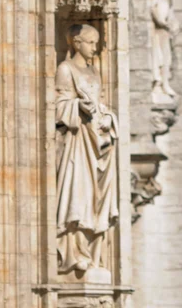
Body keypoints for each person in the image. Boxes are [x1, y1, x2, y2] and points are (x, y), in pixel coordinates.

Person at [56, 24, 118, 275]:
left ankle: (92, 252)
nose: (96, 48)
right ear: (77, 42)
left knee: (94, 196)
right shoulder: (65, 69)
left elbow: (101, 104)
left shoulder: (94, 71)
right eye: (91, 42)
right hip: (76, 140)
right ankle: (73, 252)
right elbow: (58, 106)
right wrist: (77, 106)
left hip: (97, 140)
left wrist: (108, 118)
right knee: (76, 193)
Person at [150, 0, 179, 103]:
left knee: (166, 57)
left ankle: (164, 83)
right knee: (160, 57)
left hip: (164, 28)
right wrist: (161, 21)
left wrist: (170, 22)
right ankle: (159, 83)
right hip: (159, 29)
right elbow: (152, 6)